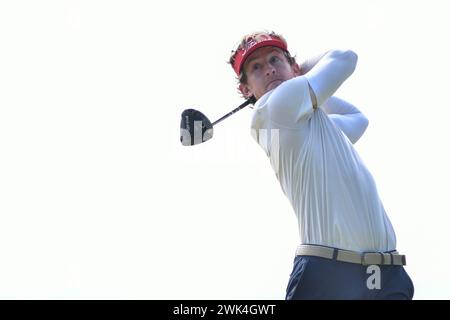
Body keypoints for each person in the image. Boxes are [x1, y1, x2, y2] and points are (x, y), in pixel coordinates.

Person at [228, 31, 414, 300]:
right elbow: (344, 57)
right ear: (246, 91)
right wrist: (294, 72)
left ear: (290, 65)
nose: (268, 70)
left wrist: (294, 75)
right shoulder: (277, 105)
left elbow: (357, 118)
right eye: (256, 67)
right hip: (329, 274)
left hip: (384, 274)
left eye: (274, 60)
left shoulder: (313, 125)